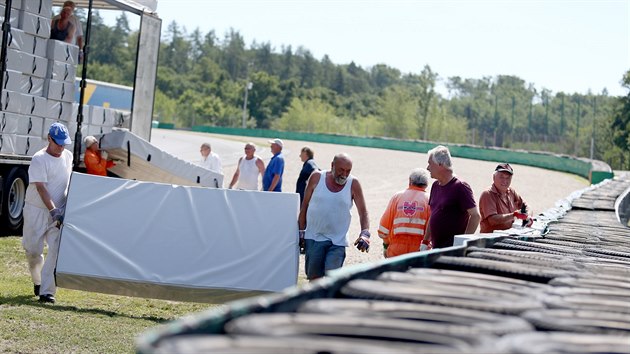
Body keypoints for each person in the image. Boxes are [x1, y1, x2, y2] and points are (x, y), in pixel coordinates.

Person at [22, 123, 73, 304]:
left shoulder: (68, 156)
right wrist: (53, 211)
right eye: (58, 143)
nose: (61, 147)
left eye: (64, 144)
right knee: (33, 250)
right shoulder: (39, 159)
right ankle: (37, 282)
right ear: (49, 139)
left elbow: (68, 183)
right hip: (36, 209)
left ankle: (47, 291)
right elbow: (41, 188)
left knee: (55, 250)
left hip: (58, 212)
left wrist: (62, 211)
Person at [298, 153, 370, 281]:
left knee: (332, 279)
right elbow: (305, 205)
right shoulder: (316, 177)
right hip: (313, 237)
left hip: (337, 241)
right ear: (332, 166)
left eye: (348, 171)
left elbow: (363, 212)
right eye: (341, 170)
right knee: (314, 280)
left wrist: (365, 233)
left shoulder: (353, 184)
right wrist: (301, 231)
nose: (344, 174)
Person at [424, 145, 480, 249]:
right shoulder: (435, 185)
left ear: (440, 164)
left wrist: (462, 243)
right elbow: (433, 214)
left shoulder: (460, 186)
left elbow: (475, 216)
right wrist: (425, 241)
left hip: (451, 251)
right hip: (436, 248)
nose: (427, 168)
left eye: (430, 164)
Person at [378, 168, 431, 258]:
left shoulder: (397, 197)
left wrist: (386, 245)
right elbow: (432, 228)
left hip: (397, 248)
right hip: (420, 250)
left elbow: (384, 227)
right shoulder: (429, 199)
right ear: (426, 184)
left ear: (410, 181)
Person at [479, 163, 532, 233]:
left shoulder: (511, 191)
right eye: (501, 177)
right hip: (490, 237)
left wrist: (528, 216)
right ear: (493, 177)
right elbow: (492, 220)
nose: (505, 181)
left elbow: (526, 206)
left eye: (508, 178)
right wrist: (514, 215)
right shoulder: (488, 194)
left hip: (507, 235)